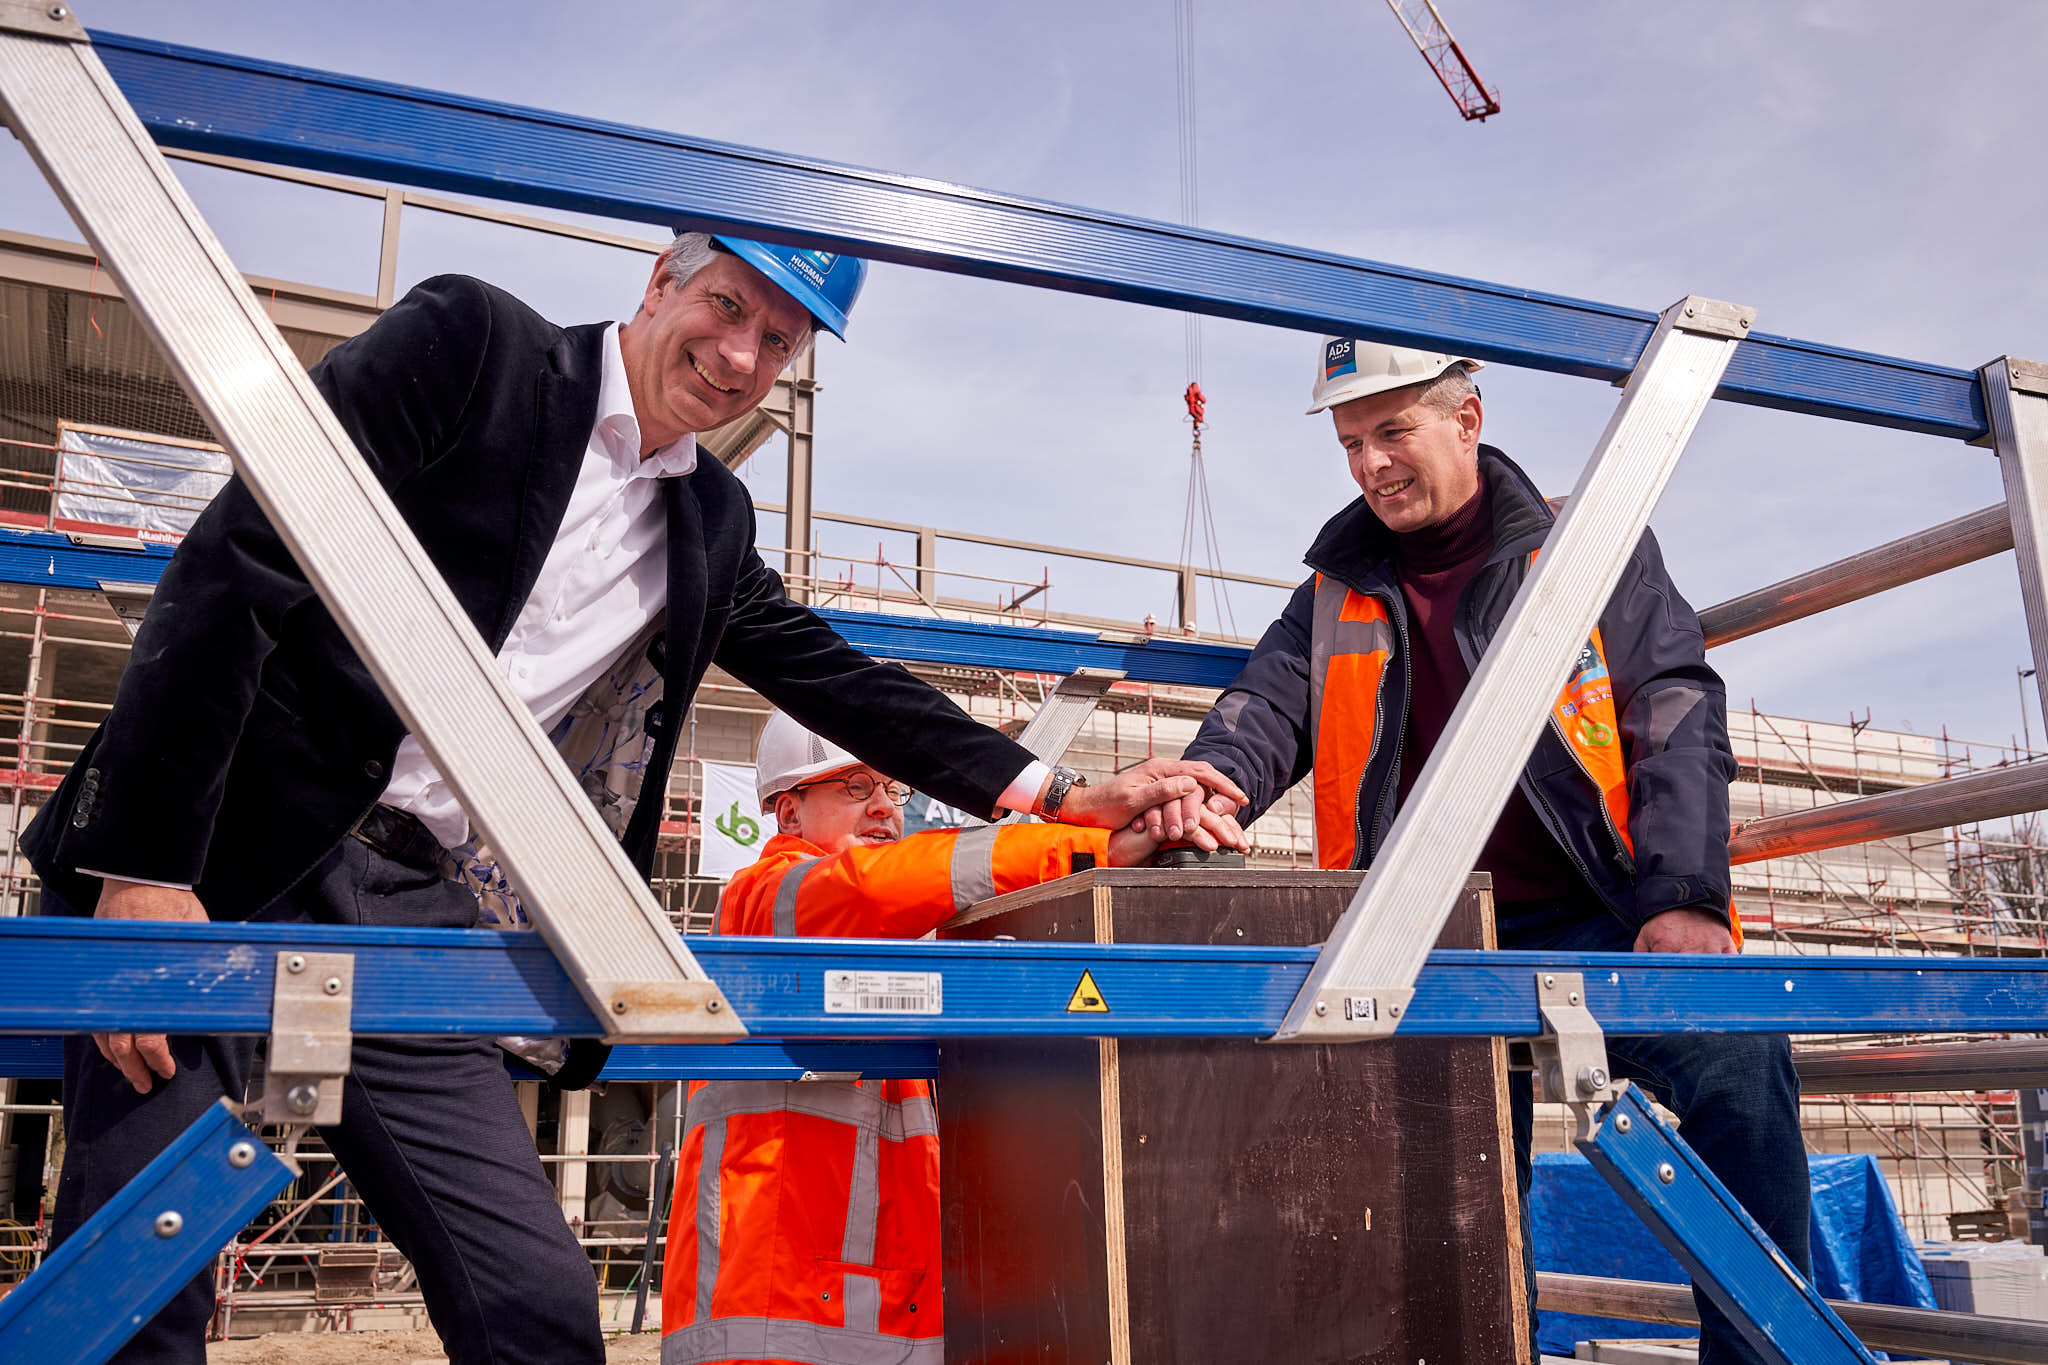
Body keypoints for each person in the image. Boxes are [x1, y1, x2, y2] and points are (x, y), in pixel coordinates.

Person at [26, 233, 1246, 1365]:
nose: (737, 357)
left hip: (404, 904)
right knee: (142, 1285)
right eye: (725, 308)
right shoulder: (473, 350)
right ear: (658, 284)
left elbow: (834, 675)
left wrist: (1063, 794)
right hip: (219, 862)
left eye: (778, 343)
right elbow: (238, 564)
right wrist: (143, 870)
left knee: (537, 1304)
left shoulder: (706, 513)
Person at [1176, 338, 1807, 1365]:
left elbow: (1673, 708)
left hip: (1603, 908)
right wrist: (1205, 788)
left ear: (1466, 420)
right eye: (1348, 443)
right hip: (1425, 933)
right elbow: (1261, 711)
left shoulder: (1585, 541)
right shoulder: (1334, 588)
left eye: (1391, 432)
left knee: (1738, 1063)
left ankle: (1761, 1357)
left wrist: (1682, 897)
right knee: (1454, 1187)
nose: (1369, 465)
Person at [662, 712, 1181, 1365]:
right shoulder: (765, 899)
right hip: (771, 1323)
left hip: (863, 1319)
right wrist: (1085, 848)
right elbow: (877, 886)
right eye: (854, 787)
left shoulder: (891, 959)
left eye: (891, 789)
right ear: (789, 814)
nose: (883, 805)